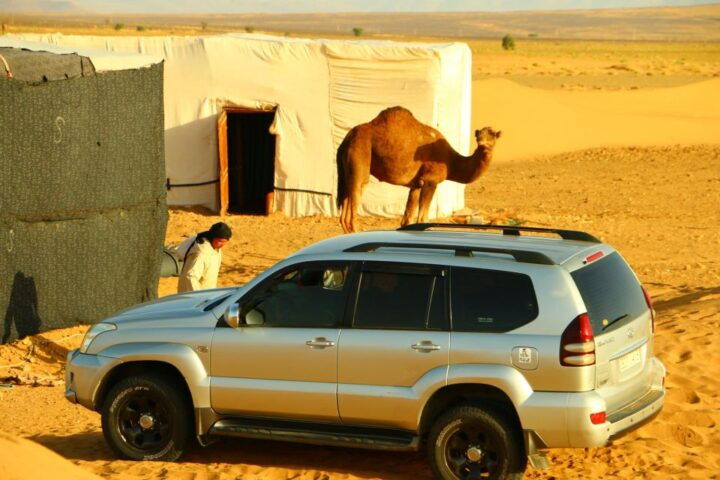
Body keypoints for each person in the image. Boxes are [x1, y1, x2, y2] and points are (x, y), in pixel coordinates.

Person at [177, 222, 232, 293]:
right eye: (220, 241)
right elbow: (191, 276)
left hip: (207, 295)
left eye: (225, 242)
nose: (222, 245)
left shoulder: (216, 250)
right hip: (194, 298)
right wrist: (199, 297)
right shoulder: (201, 254)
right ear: (212, 237)